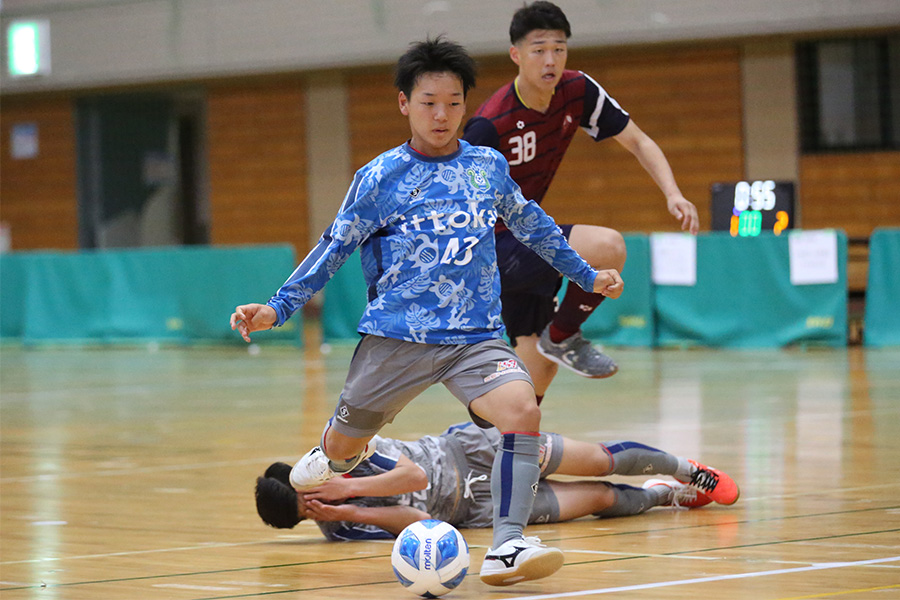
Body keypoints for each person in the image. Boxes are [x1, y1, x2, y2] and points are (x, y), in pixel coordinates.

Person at [230, 37, 624, 587]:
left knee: (522, 413)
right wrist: (278, 308)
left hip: (474, 335)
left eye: (454, 103)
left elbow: (535, 225)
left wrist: (587, 276)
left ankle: (507, 545)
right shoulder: (379, 177)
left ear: (467, 105)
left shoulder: (486, 166)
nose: (442, 114)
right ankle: (333, 451)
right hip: (398, 337)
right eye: (429, 102)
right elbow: (333, 246)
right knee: (343, 450)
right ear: (404, 105)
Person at [462, 1, 701, 399]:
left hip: (530, 235)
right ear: (516, 55)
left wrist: (673, 193)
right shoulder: (491, 123)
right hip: (494, 245)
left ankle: (488, 440)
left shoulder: (577, 91)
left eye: (559, 48)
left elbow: (639, 141)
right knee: (608, 247)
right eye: (539, 50)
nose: (550, 59)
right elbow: (454, 195)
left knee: (531, 385)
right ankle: (564, 334)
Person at [253, 421, 740, 541]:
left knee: (595, 462)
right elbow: (424, 523)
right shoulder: (338, 527)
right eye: (308, 514)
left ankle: (684, 468)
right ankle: (665, 496)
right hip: (475, 511)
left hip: (473, 451)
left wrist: (350, 489)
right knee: (597, 499)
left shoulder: (340, 454)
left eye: (308, 498)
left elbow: (415, 474)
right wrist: (349, 512)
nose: (316, 505)